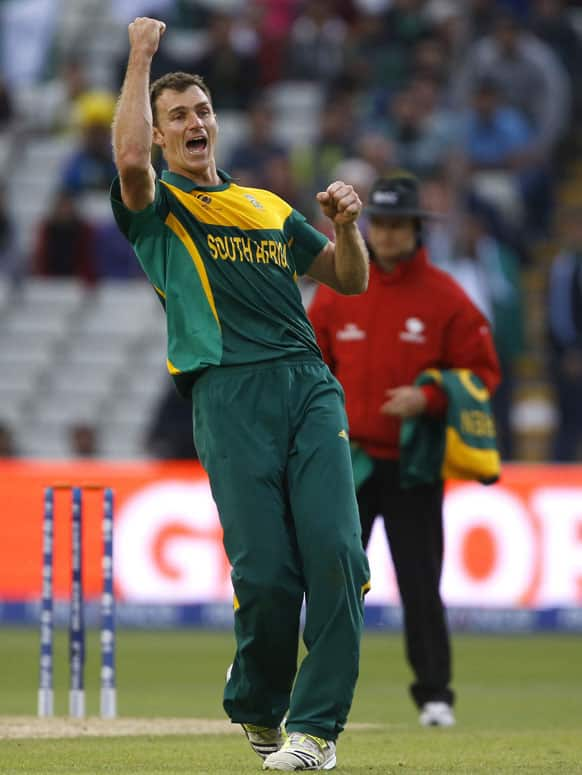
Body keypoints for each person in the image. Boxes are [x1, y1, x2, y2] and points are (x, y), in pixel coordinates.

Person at [110, 17, 371, 772]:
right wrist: (141, 55)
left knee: (338, 555)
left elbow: (347, 278)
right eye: (179, 118)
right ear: (162, 138)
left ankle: (315, 729)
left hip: (307, 384)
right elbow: (126, 159)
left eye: (202, 111)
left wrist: (347, 227)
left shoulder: (264, 205)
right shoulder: (157, 210)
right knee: (265, 577)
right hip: (227, 395)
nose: (195, 123)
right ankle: (259, 702)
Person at [309, 171, 501, 727]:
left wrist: (429, 394)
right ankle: (318, 692)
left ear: (417, 230)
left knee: (420, 582)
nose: (388, 235)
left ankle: (435, 696)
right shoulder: (340, 288)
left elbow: (484, 373)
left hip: (414, 464)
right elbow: (310, 359)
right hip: (351, 461)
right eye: (382, 224)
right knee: (335, 581)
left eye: (398, 225)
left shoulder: (446, 297)